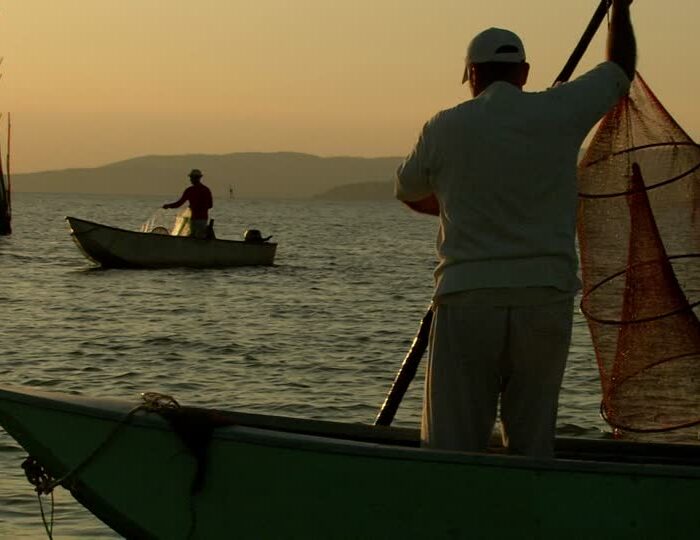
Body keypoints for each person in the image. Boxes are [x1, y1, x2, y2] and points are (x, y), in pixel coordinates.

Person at [395, 0, 636, 458]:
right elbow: (619, 68)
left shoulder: (444, 126)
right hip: (544, 298)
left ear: (471, 75)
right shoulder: (560, 110)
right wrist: (620, 10)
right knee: (532, 439)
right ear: (524, 73)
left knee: (452, 443)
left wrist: (451, 208)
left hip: (467, 299)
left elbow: (407, 190)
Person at [163, 169, 213, 238]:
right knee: (198, 239)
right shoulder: (205, 190)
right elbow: (210, 205)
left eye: (191, 178)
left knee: (195, 239)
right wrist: (169, 206)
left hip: (198, 220)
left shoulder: (190, 190)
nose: (190, 179)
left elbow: (179, 203)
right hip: (200, 219)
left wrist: (168, 206)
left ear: (195, 178)